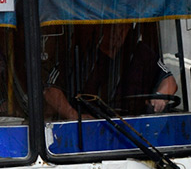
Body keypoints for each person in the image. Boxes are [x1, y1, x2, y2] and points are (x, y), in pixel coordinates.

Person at [43, 21, 178, 121]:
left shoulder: (141, 54)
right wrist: (73, 115)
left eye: (123, 27)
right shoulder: (80, 54)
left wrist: (160, 97)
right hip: (85, 131)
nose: (117, 33)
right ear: (102, 26)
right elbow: (50, 90)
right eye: (113, 27)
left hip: (132, 132)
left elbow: (169, 82)